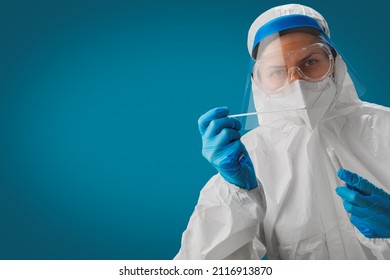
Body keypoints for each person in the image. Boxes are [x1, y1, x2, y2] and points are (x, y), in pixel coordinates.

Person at [175, 4, 390, 260]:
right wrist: (239, 195)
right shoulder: (249, 158)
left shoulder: (384, 128)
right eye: (277, 70)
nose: (297, 82)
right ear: (259, 81)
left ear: (334, 64)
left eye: (310, 61)